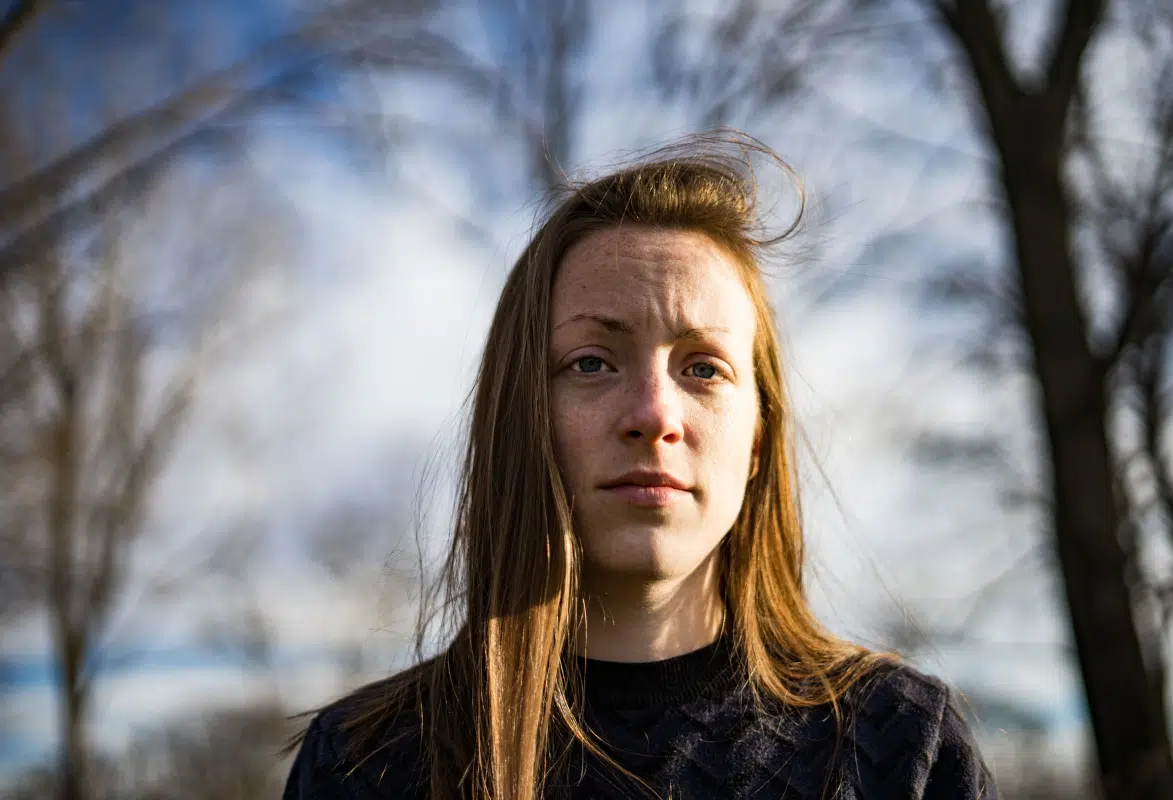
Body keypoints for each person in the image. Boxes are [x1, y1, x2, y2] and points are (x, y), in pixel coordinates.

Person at [281, 133, 999, 800]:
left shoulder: (902, 746)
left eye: (703, 368)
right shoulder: (365, 763)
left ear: (758, 439)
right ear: (522, 415)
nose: (654, 415)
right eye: (592, 363)